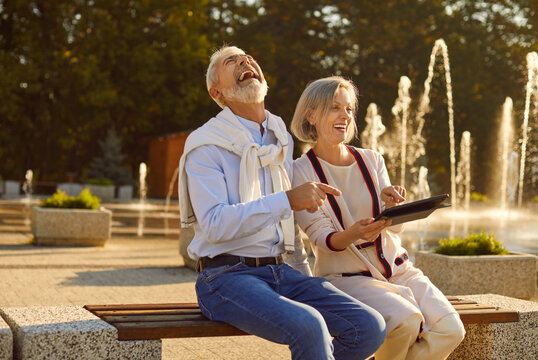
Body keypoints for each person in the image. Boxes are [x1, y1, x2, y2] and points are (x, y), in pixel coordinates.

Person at [178, 46, 386, 360]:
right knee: (310, 326)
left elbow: (285, 223)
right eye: (230, 61)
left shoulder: (279, 136)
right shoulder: (205, 145)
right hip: (224, 279)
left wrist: (303, 274)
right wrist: (287, 199)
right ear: (216, 91)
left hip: (280, 271)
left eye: (248, 57)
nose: (244, 61)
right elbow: (214, 225)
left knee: (369, 325)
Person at [290, 76, 465, 360]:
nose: (345, 116)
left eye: (348, 109)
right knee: (405, 323)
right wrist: (356, 233)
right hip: (348, 277)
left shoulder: (372, 160)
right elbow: (322, 239)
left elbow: (393, 229)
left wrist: (394, 207)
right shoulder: (301, 170)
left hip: (399, 270)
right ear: (311, 114)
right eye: (335, 107)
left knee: (452, 330)